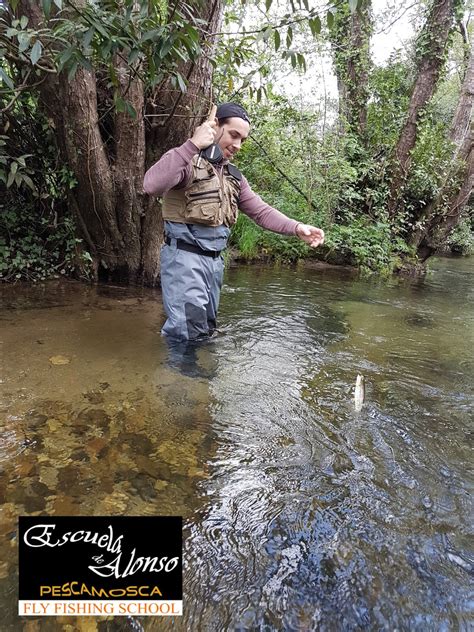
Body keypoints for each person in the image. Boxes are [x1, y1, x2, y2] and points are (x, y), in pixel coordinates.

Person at [143, 102, 325, 342]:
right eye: (234, 135)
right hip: (185, 260)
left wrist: (296, 227)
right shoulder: (185, 161)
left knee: (204, 332)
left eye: (243, 140)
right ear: (215, 126)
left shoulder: (234, 177)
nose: (238, 145)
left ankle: (196, 379)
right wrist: (193, 144)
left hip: (215, 264)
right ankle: (179, 379)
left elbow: (261, 211)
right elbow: (151, 185)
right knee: (186, 334)